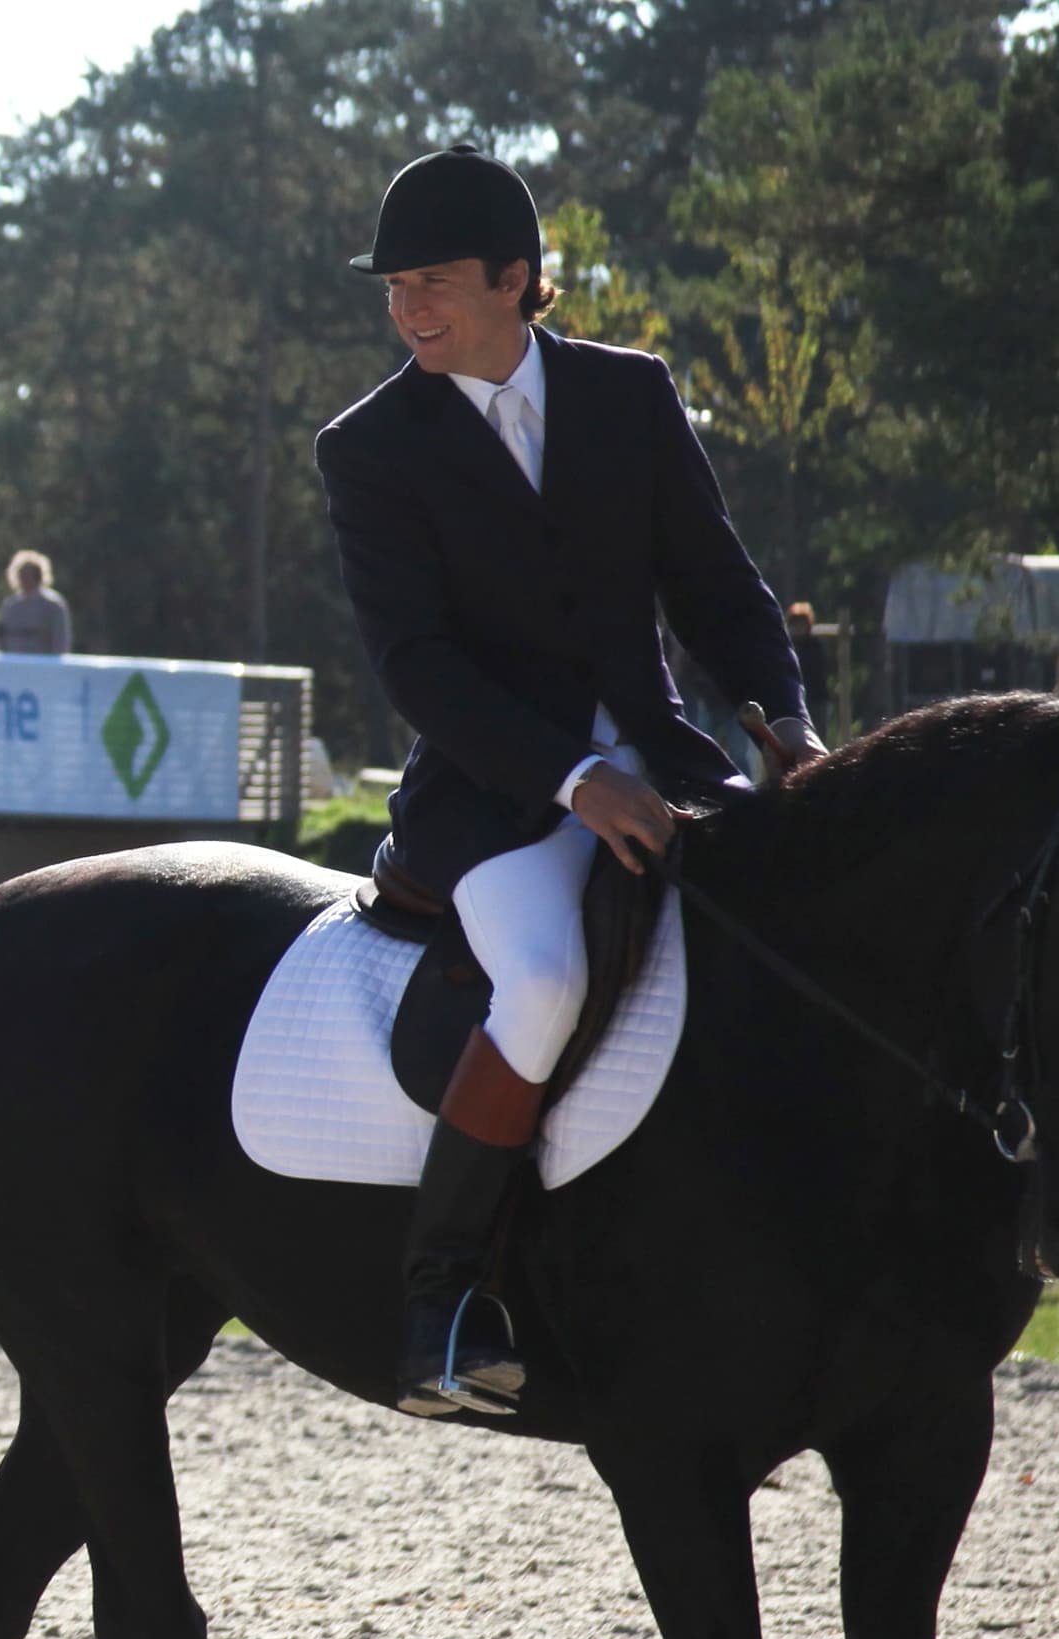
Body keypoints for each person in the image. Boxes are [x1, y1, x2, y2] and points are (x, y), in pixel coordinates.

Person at [316, 142, 815, 1414]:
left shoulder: (628, 395)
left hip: (667, 755)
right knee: (542, 979)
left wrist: (787, 725)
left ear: (514, 278)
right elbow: (418, 665)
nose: (406, 309)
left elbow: (718, 588)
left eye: (430, 281)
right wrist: (575, 777)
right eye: (393, 288)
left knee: (805, 935)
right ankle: (440, 1302)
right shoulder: (369, 447)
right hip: (493, 789)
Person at [0, 552, 72, 656]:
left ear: (38, 576)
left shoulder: (53, 604)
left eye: (28, 575)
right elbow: (2, 636)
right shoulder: (10, 605)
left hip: (42, 663)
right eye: (21, 575)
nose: (24, 579)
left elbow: (61, 640)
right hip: (14, 662)